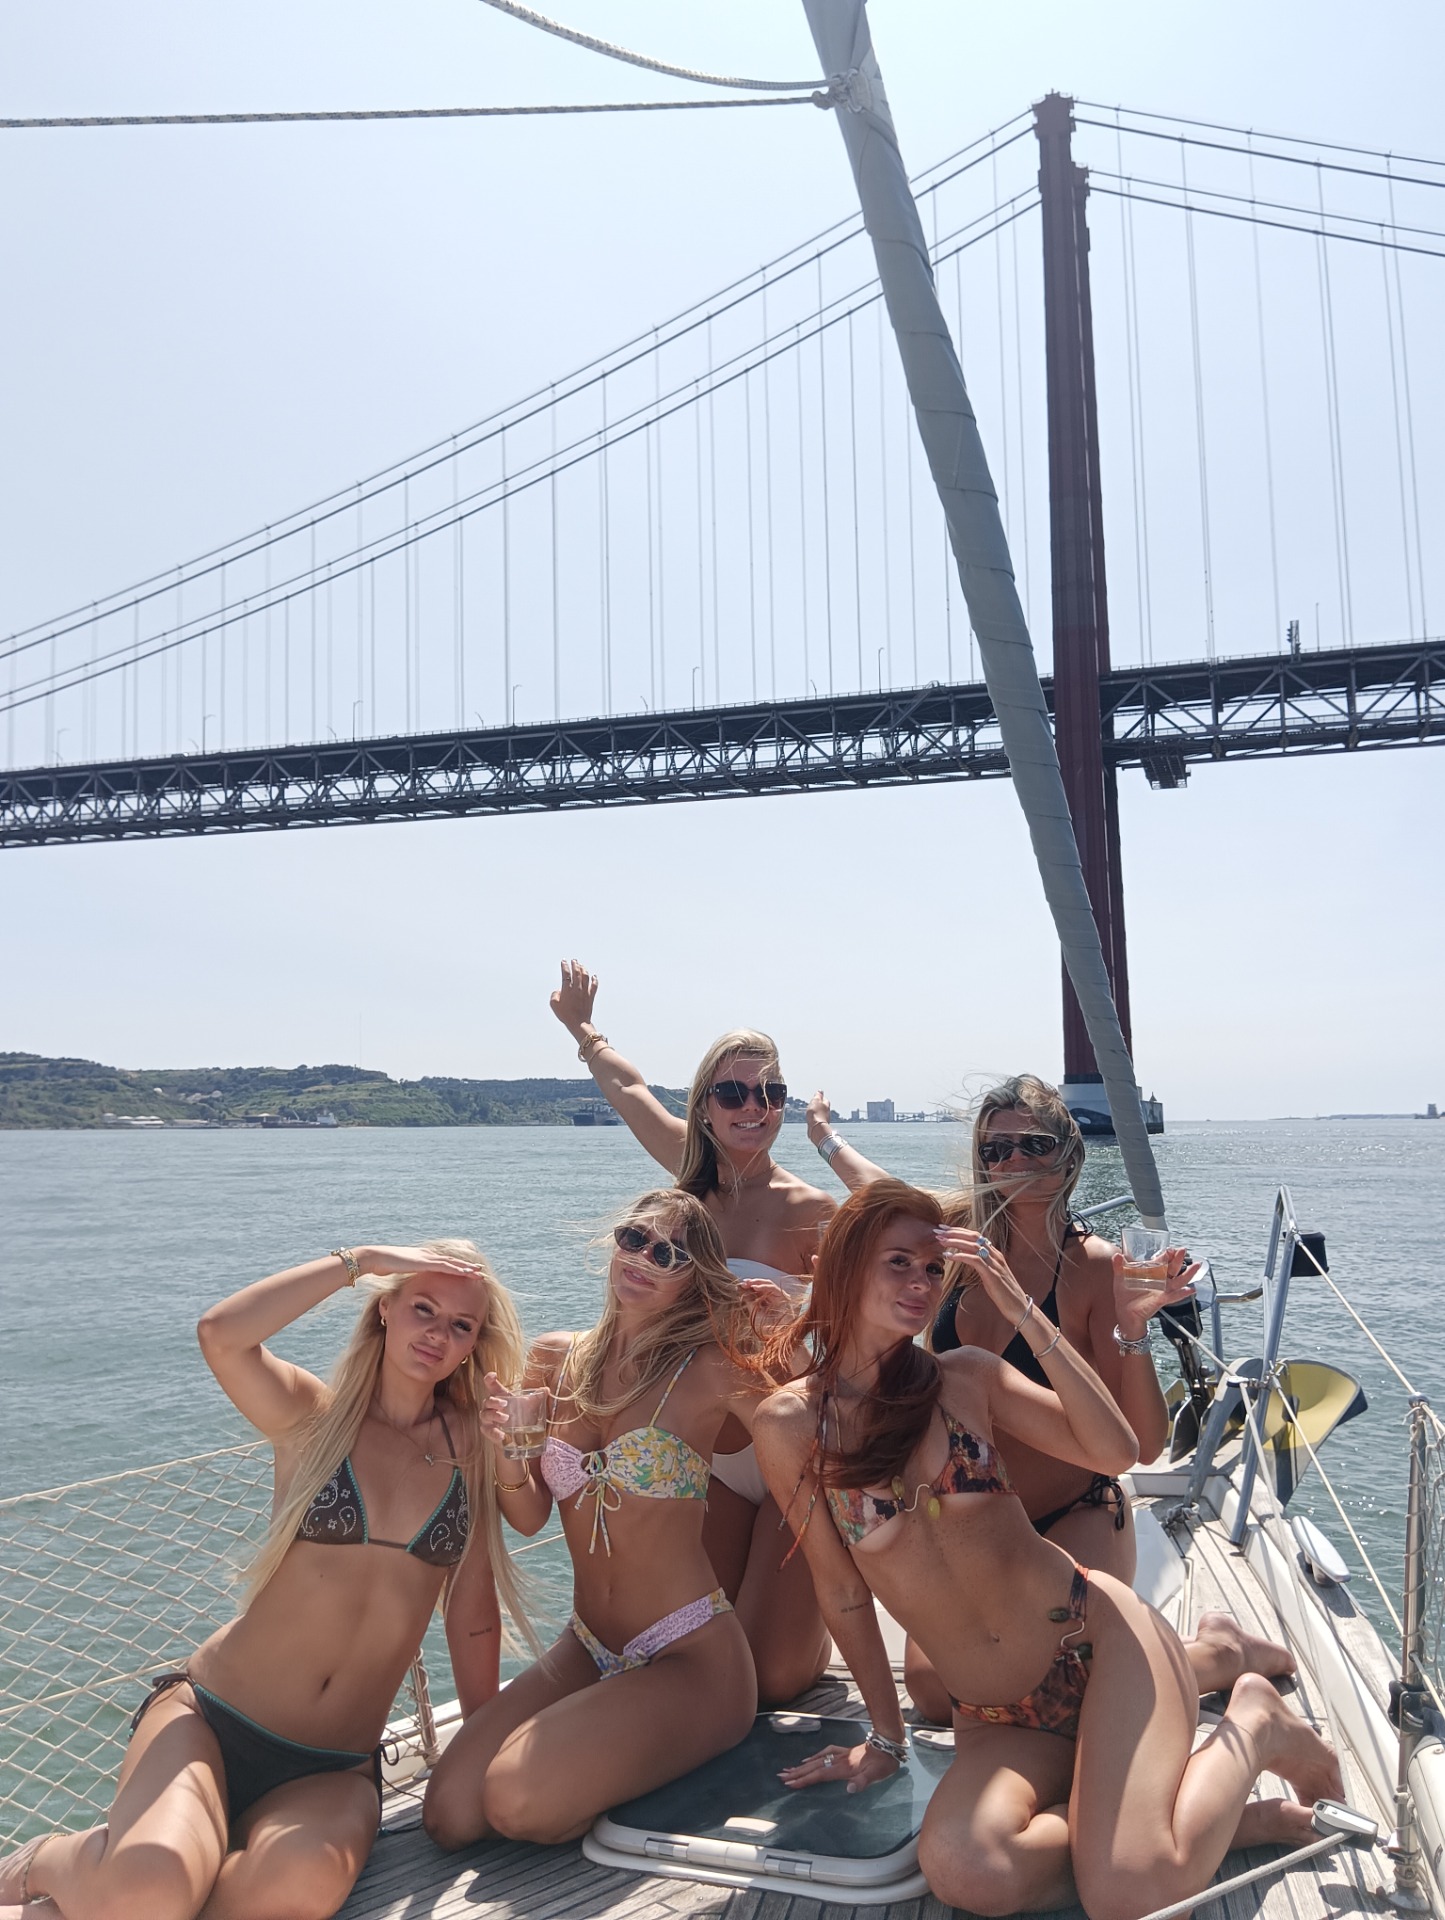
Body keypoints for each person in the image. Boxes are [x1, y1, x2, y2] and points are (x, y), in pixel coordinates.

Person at [750, 1181, 1343, 1920]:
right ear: (843, 1265)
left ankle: (1253, 1725)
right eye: (897, 1262)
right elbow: (840, 1591)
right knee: (968, 1870)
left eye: (932, 1268)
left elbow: (1114, 1450)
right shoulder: (788, 1425)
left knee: (1129, 1898)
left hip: (1100, 1646)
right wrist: (886, 1735)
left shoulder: (963, 1378)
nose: (920, 1283)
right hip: (997, 1713)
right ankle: (1197, 1814)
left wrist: (1026, 1314)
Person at [0, 1241, 530, 1920]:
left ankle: (114, 1893)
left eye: (460, 1325)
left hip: (333, 1769)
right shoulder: (314, 1418)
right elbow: (221, 1335)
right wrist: (363, 1259)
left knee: (294, 1890)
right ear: (385, 1311)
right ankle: (50, 1858)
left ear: (474, 1345)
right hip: (212, 1722)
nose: (436, 1334)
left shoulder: (474, 1448)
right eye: (421, 1308)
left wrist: (479, 1742)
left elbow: (472, 1612)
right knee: (149, 1892)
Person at [807, 1074, 1292, 1718]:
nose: (1013, 1161)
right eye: (995, 1149)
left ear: (1068, 1156)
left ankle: (1220, 1654)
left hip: (1076, 1511)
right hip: (981, 1525)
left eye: (1033, 1144)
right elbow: (875, 1190)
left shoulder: (1092, 1266)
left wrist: (1133, 1327)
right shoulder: (954, 1246)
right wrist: (822, 1137)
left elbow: (1144, 1446)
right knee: (933, 1691)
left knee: (1068, 1680)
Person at [423, 1190, 766, 1849]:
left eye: (669, 1254)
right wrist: (509, 1452)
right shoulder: (556, 1359)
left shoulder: (711, 1371)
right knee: (449, 1814)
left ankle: (650, 1752)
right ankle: (614, 1754)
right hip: (587, 1644)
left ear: (694, 1278)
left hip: (691, 1655)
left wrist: (784, 1343)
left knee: (515, 1800)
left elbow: (810, 1437)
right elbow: (528, 1516)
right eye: (634, 1238)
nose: (642, 1258)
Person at [548, 958, 832, 1703]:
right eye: (733, 1092)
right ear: (705, 1105)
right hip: (706, 1451)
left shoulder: (815, 1212)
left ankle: (819, 1609)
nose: (753, 1107)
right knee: (694, 1651)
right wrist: (583, 1028)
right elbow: (629, 1090)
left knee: (776, 1676)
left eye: (769, 1093)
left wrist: (792, 1323)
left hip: (785, 1443)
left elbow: (857, 1338)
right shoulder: (684, 1185)